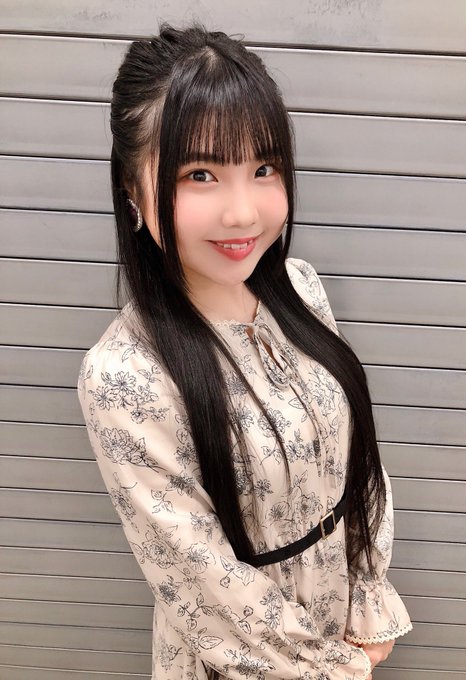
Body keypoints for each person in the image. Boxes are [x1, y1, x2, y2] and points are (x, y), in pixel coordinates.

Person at [77, 23, 412, 680]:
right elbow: (203, 587)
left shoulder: (300, 288)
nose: (243, 213)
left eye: (263, 169)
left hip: (342, 631)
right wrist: (334, 667)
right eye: (200, 174)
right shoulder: (123, 376)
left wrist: (368, 594)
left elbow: (357, 460)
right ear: (132, 191)